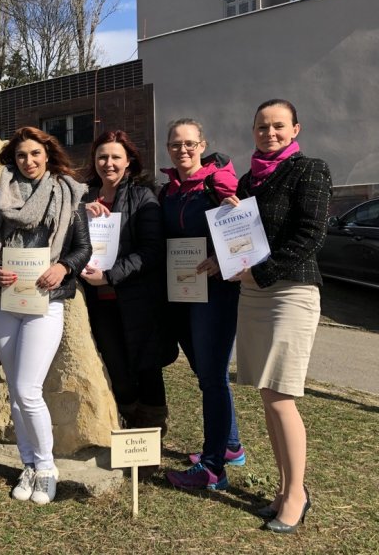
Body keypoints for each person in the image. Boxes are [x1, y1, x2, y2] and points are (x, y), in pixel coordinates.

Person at [224, 99, 331, 532]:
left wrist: (261, 272)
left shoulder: (310, 170)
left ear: (295, 129)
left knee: (281, 395)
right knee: (268, 395)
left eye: (278, 126)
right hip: (253, 293)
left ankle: (297, 494)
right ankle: (285, 489)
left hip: (290, 292)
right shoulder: (249, 180)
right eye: (262, 127)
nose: (270, 133)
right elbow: (245, 235)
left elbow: (311, 234)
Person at [0, 126, 91, 505]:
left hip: (46, 301)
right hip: (5, 301)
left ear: (47, 155)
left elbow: (83, 247)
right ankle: (27, 464)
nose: (28, 161)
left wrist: (64, 267)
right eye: (21, 155)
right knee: (15, 389)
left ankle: (46, 468)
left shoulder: (69, 194)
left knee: (28, 390)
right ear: (13, 159)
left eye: (35, 154)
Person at [159, 120, 246, 491]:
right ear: (168, 148)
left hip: (216, 293)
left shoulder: (220, 183)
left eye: (190, 143)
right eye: (176, 144)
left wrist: (221, 259)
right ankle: (230, 446)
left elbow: (244, 232)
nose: (183, 149)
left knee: (212, 377)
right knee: (205, 372)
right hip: (181, 293)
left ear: (203, 145)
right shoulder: (168, 191)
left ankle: (212, 468)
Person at [79, 130, 170, 437]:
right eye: (102, 156)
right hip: (98, 303)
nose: (109, 163)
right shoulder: (84, 197)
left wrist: (109, 276)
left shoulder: (143, 197)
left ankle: (152, 433)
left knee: (147, 369)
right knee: (116, 369)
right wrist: (79, 215)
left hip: (138, 300)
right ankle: (128, 427)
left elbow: (152, 251)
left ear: (129, 160)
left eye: (116, 157)